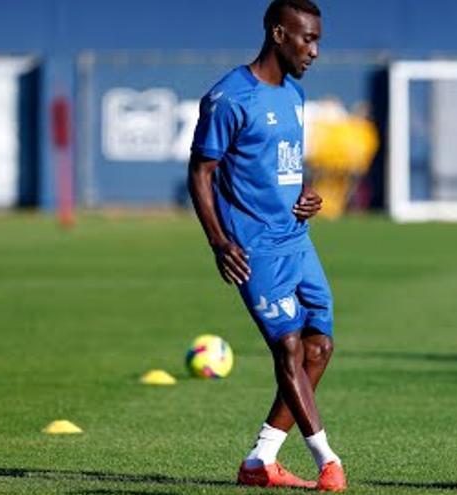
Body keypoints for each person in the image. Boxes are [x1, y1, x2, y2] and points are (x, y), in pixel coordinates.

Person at [187, 0, 346, 491]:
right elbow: (201, 173)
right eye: (306, 39)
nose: (314, 50)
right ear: (279, 34)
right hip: (256, 252)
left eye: (318, 39)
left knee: (320, 345)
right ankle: (328, 461)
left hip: (298, 242)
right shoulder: (229, 98)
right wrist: (219, 242)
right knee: (290, 347)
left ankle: (261, 461)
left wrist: (305, 193)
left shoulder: (294, 96)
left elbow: (283, 166)